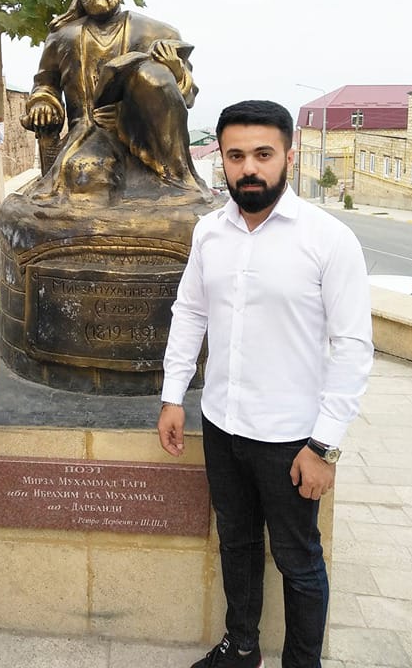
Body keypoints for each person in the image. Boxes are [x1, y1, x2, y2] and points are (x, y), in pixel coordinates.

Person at [157, 100, 373, 668]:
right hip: (222, 424)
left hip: (291, 438)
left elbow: (353, 346)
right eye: (236, 156)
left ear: (288, 158)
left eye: (262, 154)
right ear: (222, 160)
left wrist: (324, 446)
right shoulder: (210, 233)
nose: (249, 168)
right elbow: (190, 313)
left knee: (298, 561)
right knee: (237, 543)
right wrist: (173, 395)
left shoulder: (328, 239)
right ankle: (241, 647)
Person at [21, 0, 208, 200]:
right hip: (88, 137)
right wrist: (43, 104)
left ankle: (175, 186)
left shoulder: (157, 33)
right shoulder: (63, 37)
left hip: (149, 144)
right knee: (89, 173)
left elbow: (186, 98)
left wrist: (175, 71)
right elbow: (45, 85)